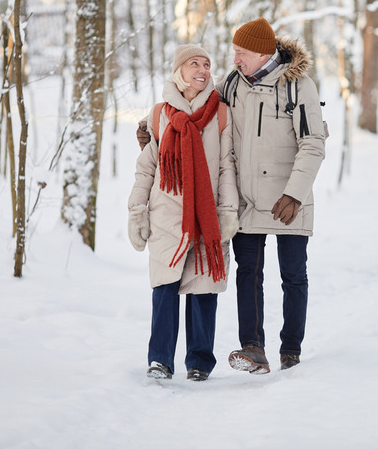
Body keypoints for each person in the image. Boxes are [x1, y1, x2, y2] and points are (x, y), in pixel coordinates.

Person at [138, 19, 327, 374]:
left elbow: (313, 142)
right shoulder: (232, 86)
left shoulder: (298, 86)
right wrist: (151, 129)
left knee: (293, 276)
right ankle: (253, 347)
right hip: (246, 199)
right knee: (248, 273)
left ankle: (291, 351)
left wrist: (296, 193)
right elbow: (192, 106)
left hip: (288, 199)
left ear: (261, 52)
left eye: (241, 53)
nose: (235, 59)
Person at [128, 44, 239, 382]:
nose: (202, 70)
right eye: (194, 63)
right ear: (179, 71)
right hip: (167, 213)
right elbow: (147, 166)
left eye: (206, 64)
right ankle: (160, 359)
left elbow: (225, 166)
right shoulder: (160, 113)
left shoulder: (220, 112)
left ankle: (200, 362)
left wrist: (228, 210)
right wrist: (137, 210)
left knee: (203, 287)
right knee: (164, 287)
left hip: (206, 213)